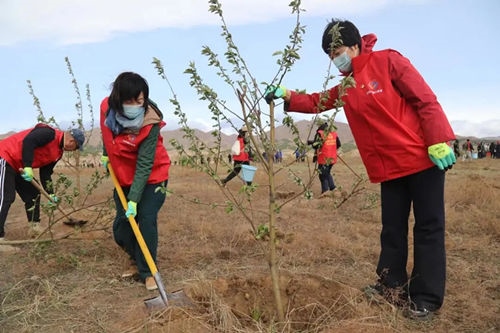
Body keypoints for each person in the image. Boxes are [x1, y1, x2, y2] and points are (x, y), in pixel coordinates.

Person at [265, 19, 456, 320]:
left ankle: (426, 298)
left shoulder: (389, 61)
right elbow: (317, 101)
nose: (335, 59)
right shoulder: (347, 86)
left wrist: (438, 140)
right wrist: (287, 95)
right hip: (389, 169)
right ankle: (390, 285)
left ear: (355, 46)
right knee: (392, 229)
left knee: (428, 229)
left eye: (338, 51)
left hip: (422, 160)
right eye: (330, 55)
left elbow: (425, 99)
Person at [100, 72, 171, 291]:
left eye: (139, 100)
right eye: (129, 101)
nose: (135, 105)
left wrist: (134, 199)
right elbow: (106, 132)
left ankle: (148, 271)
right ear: (118, 99)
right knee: (121, 227)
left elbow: (144, 164)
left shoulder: (150, 122)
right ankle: (137, 257)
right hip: (122, 176)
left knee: (146, 220)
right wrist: (106, 152)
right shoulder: (106, 109)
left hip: (152, 177)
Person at [0, 124, 85, 240]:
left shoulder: (58, 154)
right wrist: (28, 166)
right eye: (76, 147)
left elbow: (45, 174)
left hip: (17, 165)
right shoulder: (49, 134)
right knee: (6, 197)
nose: (74, 150)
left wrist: (51, 194)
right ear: (71, 141)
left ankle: (34, 227)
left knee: (33, 193)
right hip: (5, 155)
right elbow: (28, 141)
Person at [308, 122, 341, 196]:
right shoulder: (333, 134)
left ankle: (325, 192)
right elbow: (338, 144)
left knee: (322, 175)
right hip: (332, 158)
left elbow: (316, 145)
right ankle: (333, 188)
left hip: (324, 158)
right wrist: (331, 149)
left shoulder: (320, 133)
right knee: (327, 173)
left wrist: (311, 143)